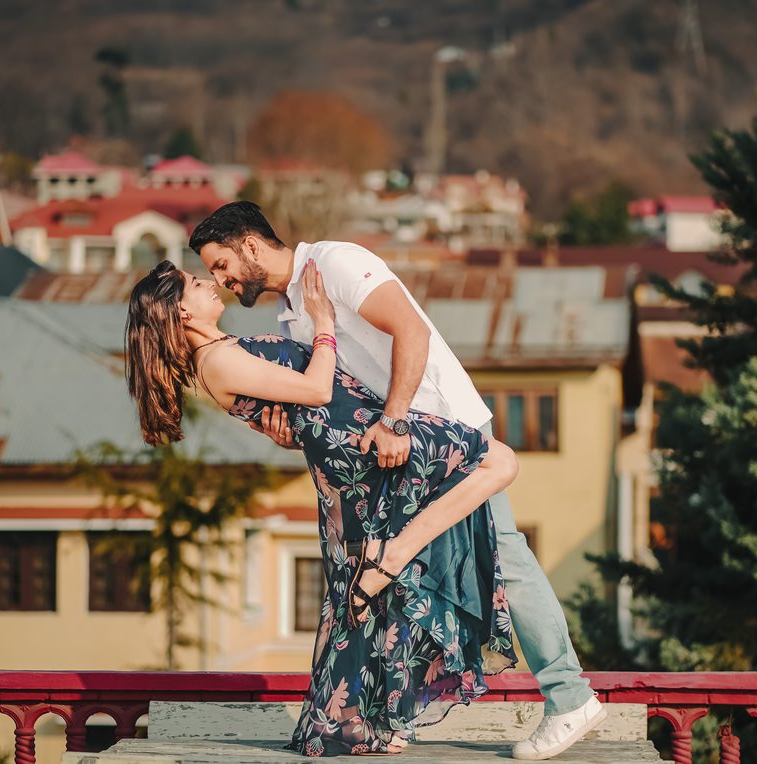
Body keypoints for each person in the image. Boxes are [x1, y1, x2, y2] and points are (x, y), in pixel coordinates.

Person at [190, 201, 606, 761]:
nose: (222, 280)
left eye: (221, 265)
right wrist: (290, 430)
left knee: (502, 557)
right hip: (398, 460)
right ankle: (392, 718)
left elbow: (411, 329)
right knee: (414, 578)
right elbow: (331, 399)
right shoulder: (294, 313)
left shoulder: (335, 263)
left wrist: (394, 420)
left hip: (435, 432)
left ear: (250, 245)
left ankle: (570, 697)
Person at [124, 259, 520, 756]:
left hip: (348, 438)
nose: (210, 284)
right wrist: (324, 323)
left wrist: (289, 429)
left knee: (370, 599)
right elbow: (317, 390)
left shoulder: (223, 351)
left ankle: (372, 721)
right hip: (358, 441)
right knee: (499, 462)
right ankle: (393, 557)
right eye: (197, 283)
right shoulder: (215, 361)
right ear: (181, 311)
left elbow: (300, 408)